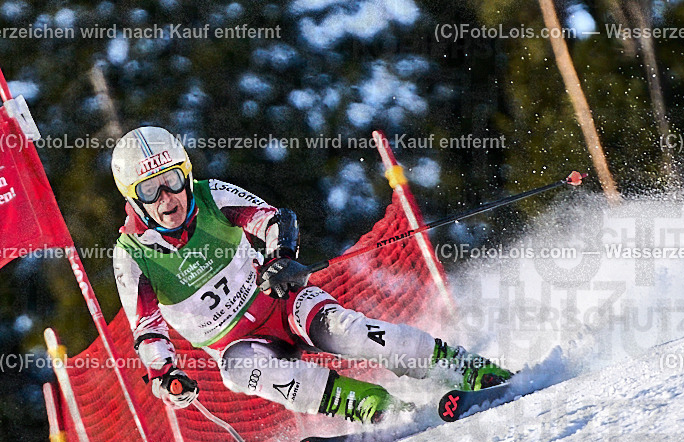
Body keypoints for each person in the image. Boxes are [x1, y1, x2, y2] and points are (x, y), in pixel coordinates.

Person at [111, 126, 512, 424]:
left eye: (172, 181)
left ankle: (466, 368)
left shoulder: (211, 195)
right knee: (241, 372)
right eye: (150, 191)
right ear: (134, 198)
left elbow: (275, 220)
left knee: (354, 332)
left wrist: (280, 259)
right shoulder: (132, 255)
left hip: (284, 305)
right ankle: (378, 406)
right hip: (239, 346)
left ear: (185, 174)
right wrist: (165, 373)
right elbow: (148, 329)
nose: (167, 200)